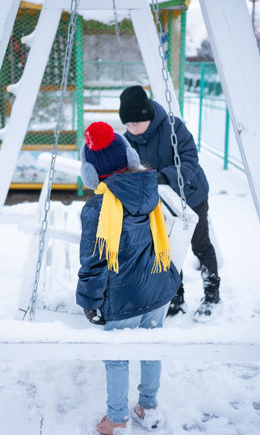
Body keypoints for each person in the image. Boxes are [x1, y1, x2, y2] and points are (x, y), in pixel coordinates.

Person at [76, 121, 180, 434]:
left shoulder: (97, 208)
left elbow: (93, 263)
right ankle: (147, 408)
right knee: (150, 346)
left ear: (90, 174)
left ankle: (117, 418)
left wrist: (89, 302)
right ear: (130, 158)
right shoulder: (149, 191)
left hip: (124, 296)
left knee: (118, 356)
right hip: (157, 287)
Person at [118, 85, 221, 321]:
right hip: (160, 203)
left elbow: (190, 161)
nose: (131, 128)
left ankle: (212, 293)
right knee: (167, 248)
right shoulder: (127, 140)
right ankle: (175, 296)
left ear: (146, 115)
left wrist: (164, 176)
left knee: (200, 243)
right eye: (127, 124)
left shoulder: (173, 127)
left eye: (136, 123)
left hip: (191, 195)